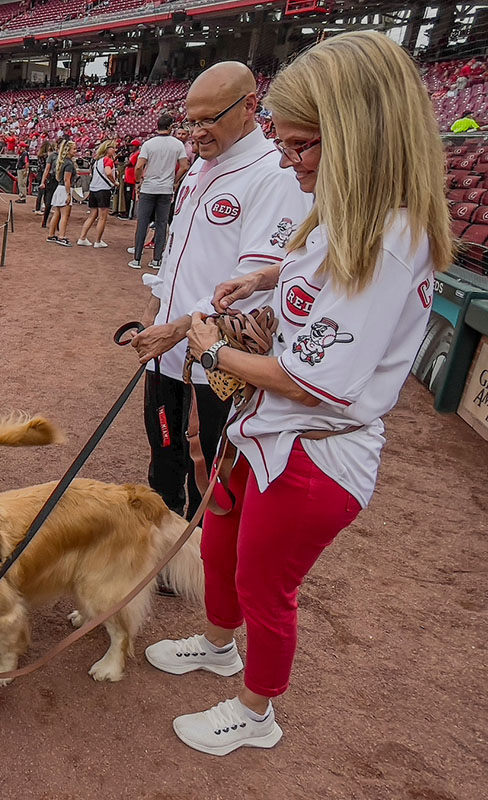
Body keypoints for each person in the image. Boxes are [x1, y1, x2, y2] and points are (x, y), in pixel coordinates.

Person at [146, 31, 452, 756]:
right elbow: (313, 273)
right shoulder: (350, 213)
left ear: (357, 134)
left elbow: (315, 381)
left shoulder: (387, 236)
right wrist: (263, 279)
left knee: (263, 584)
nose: (287, 159)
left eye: (302, 145)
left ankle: (256, 712)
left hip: (314, 449)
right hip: (268, 431)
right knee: (219, 545)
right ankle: (220, 646)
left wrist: (212, 349)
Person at [129, 62, 309, 524]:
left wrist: (178, 327)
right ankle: (162, 552)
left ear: (250, 106)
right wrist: (156, 308)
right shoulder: (199, 169)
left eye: (208, 119)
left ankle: (203, 560)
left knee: (209, 464)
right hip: (168, 349)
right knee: (163, 454)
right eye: (191, 120)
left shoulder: (273, 176)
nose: (196, 133)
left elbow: (252, 283)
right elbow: (177, 255)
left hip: (219, 360)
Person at [128, 114, 188, 269]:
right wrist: (175, 181)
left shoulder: (149, 144)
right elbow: (184, 166)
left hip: (149, 187)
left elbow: (139, 166)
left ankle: (137, 258)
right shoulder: (177, 145)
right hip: (166, 188)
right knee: (161, 224)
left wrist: (137, 181)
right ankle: (157, 260)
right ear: (171, 127)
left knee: (142, 223)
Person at [77, 139, 117, 247]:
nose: (115, 150)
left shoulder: (97, 161)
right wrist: (115, 182)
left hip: (94, 189)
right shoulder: (108, 160)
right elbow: (108, 173)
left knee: (92, 215)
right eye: (113, 148)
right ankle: (98, 241)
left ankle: (82, 237)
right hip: (103, 190)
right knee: (102, 217)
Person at [45, 139, 77, 247]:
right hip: (64, 189)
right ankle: (61, 236)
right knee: (64, 215)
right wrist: (69, 194)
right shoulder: (68, 163)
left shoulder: (62, 161)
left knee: (57, 213)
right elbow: (67, 179)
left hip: (59, 188)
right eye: (74, 149)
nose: (75, 151)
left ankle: (51, 234)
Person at [122, 138, 140, 219]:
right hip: (128, 178)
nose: (130, 148)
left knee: (130, 197)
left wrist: (125, 163)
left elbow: (128, 163)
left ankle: (129, 214)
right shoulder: (132, 154)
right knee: (127, 196)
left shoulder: (137, 153)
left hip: (132, 179)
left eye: (132, 146)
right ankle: (127, 212)